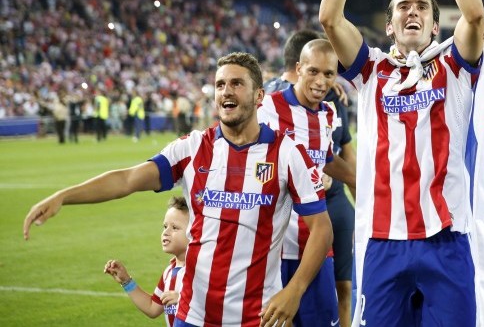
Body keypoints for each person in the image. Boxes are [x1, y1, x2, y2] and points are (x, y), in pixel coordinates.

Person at [24, 51, 333, 327]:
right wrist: (65, 196)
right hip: (193, 314)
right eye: (220, 84)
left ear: (259, 96)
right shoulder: (193, 148)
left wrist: (295, 289)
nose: (227, 91)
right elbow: (127, 180)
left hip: (255, 316)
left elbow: (321, 228)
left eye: (237, 83)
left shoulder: (287, 153)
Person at [319, 0, 484, 326]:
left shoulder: (454, 66)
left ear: (434, 23)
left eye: (421, 7)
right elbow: (330, 18)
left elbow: (476, 14)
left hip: (445, 238)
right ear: (388, 25)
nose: (412, 12)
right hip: (385, 240)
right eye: (402, 6)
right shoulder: (372, 71)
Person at [258, 39, 356, 326]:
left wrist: (358, 180)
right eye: (313, 71)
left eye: (329, 74)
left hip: (314, 241)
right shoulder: (268, 108)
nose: (321, 80)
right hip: (274, 245)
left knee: (323, 319)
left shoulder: (327, 114)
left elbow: (324, 157)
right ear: (298, 69)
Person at [103, 196, 189, 327]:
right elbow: (152, 308)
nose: (166, 232)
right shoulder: (169, 272)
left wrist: (185, 300)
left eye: (175, 228)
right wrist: (126, 281)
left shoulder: (203, 270)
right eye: (165, 226)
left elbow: (220, 305)